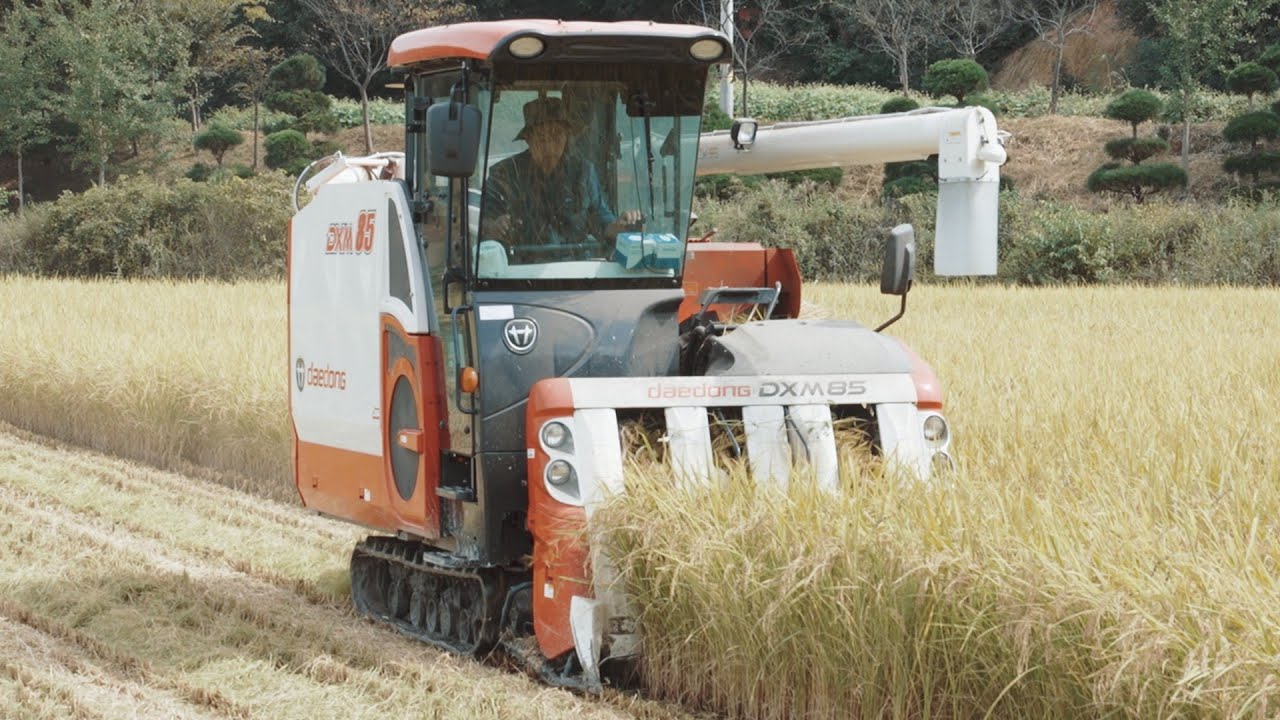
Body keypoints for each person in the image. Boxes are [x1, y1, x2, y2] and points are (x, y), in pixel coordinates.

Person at [482, 97, 641, 259]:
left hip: (575, 274)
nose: (549, 147)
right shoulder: (506, 174)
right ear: (528, 140)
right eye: (541, 138)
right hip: (518, 272)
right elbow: (483, 224)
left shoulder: (583, 173)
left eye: (556, 136)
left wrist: (621, 226)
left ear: (567, 136)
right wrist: (494, 227)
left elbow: (603, 223)